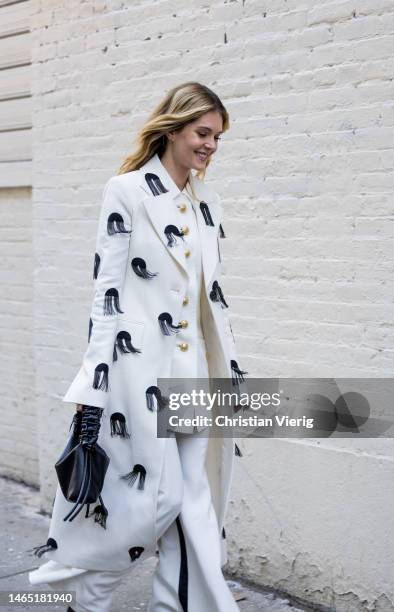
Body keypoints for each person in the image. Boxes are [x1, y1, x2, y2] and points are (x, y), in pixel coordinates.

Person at [28, 81, 248, 612]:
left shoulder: (206, 203)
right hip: (138, 376)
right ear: (172, 128)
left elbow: (207, 300)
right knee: (150, 502)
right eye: (202, 133)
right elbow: (107, 296)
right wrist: (92, 387)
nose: (211, 146)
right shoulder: (126, 190)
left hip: (196, 375)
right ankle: (83, 595)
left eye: (217, 137)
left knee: (197, 507)